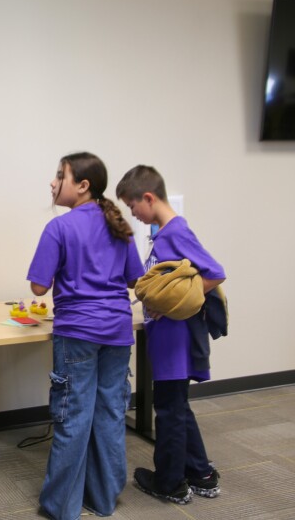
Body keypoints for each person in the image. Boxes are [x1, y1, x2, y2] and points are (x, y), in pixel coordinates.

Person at [27, 152, 144, 520]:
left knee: (72, 418)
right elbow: (133, 280)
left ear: (82, 185)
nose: (52, 182)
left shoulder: (58, 228)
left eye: (59, 175)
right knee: (110, 414)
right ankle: (104, 498)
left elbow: (38, 287)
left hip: (77, 332)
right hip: (118, 332)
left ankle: (62, 508)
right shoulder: (119, 226)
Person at [116, 165, 226, 503]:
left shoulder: (174, 232)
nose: (133, 213)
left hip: (173, 342)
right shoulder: (165, 233)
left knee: (169, 410)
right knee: (177, 407)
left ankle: (169, 482)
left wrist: (178, 303)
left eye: (134, 207)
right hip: (169, 339)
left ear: (148, 198)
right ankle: (201, 474)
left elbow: (214, 273)